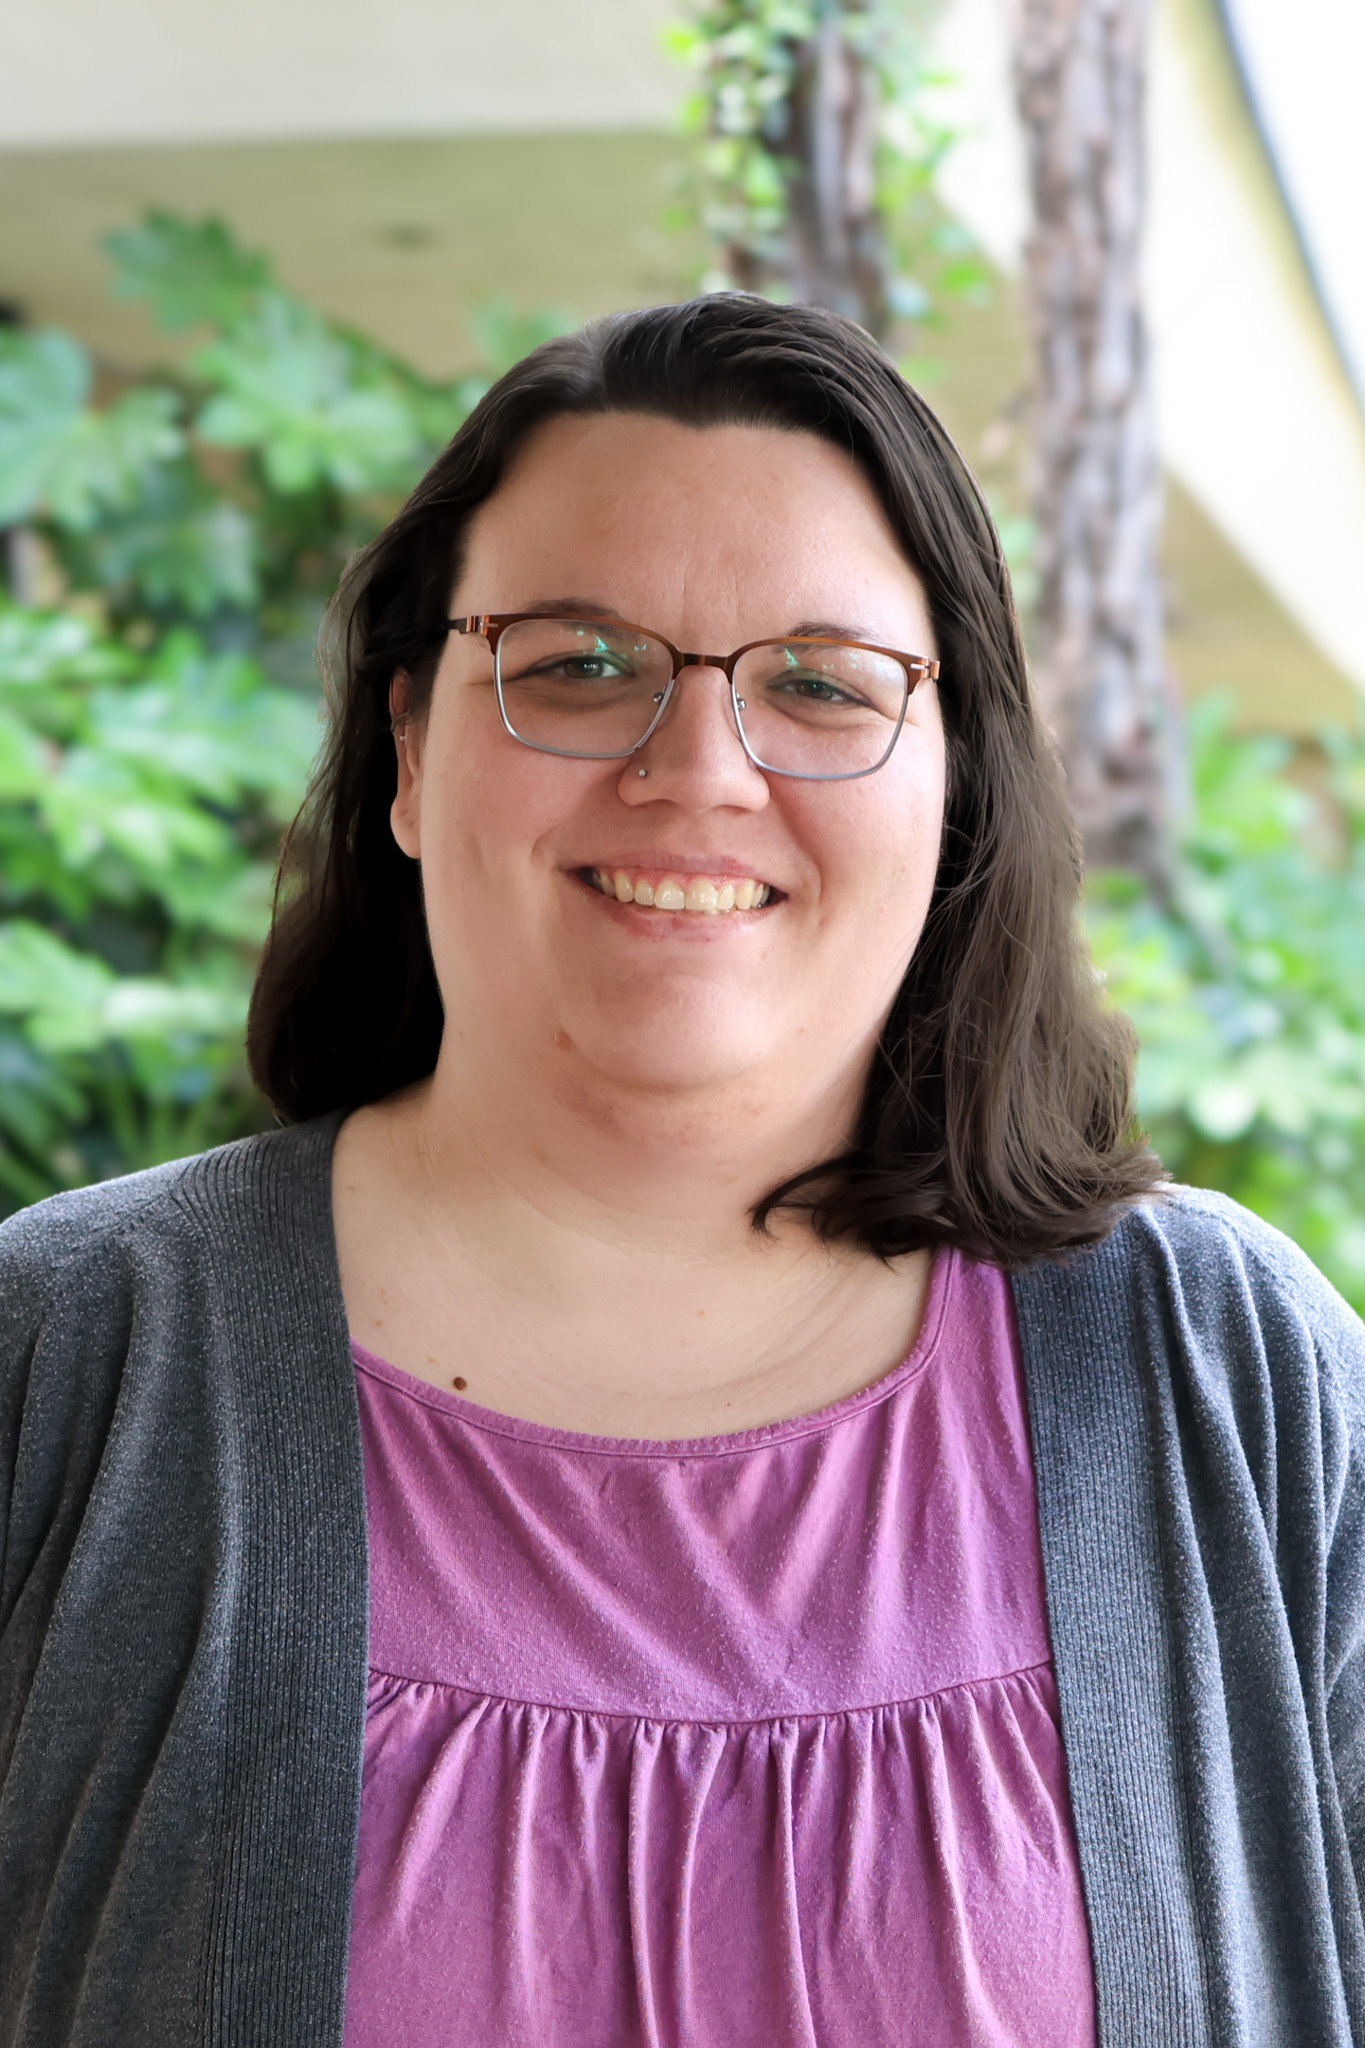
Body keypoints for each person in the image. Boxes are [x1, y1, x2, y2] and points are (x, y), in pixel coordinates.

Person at [1, 296, 1362, 2048]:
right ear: (411, 749)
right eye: (576, 663)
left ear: (951, 785)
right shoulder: (65, 1360)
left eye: (818, 683)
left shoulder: (1224, 1376)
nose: (697, 771)